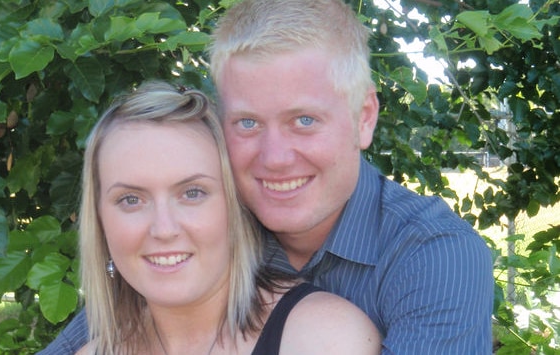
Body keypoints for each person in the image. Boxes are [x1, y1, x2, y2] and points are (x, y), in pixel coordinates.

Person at [40, 0, 494, 353]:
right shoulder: (207, 222)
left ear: (364, 117)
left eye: (304, 121)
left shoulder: (434, 258)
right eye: (248, 124)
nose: (274, 159)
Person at [65, 81, 380, 354]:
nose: (163, 229)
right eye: (131, 199)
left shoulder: (321, 338)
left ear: (234, 207)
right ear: (101, 222)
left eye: (192, 193)